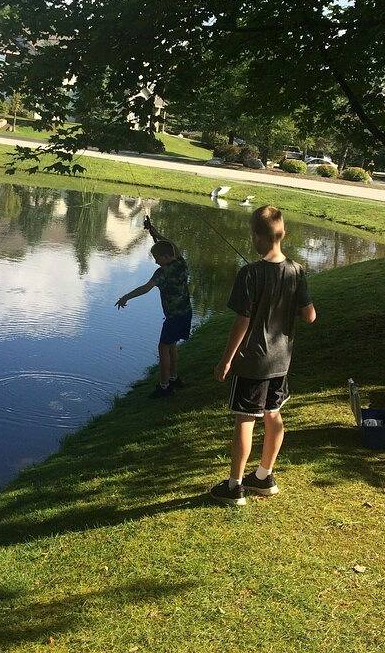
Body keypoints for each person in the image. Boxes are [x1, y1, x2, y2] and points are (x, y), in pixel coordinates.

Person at [209, 205, 316, 505]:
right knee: (272, 414)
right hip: (281, 361)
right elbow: (310, 316)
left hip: (254, 362)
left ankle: (234, 486)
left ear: (256, 237)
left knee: (245, 418)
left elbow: (241, 321)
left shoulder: (250, 273)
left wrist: (226, 359)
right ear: (283, 234)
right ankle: (264, 476)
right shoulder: (297, 271)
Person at [115, 215, 193, 398]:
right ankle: (174, 378)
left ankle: (164, 387)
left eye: (157, 258)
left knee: (163, 348)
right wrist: (153, 231)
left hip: (173, 317)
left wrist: (126, 296)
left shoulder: (162, 273)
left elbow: (145, 288)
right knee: (172, 345)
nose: (156, 261)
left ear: (166, 257)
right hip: (186, 313)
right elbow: (168, 243)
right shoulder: (181, 263)